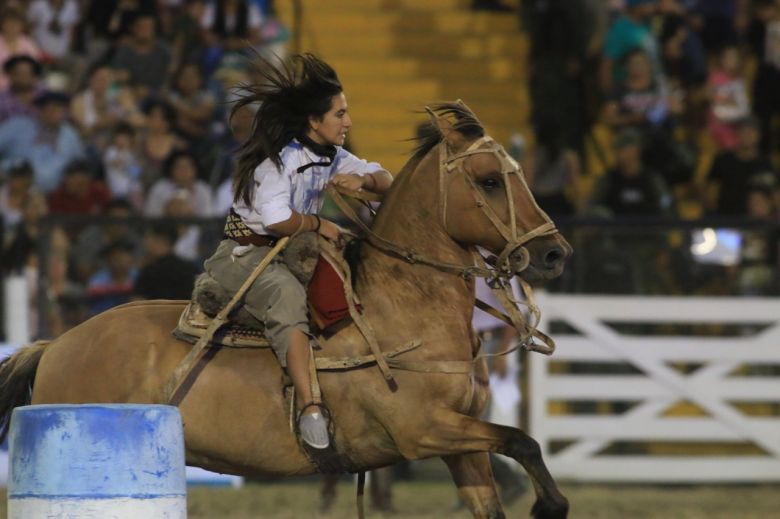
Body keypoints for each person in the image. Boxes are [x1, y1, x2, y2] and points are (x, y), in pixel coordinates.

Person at [202, 53, 392, 449]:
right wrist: (318, 223)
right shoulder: (277, 162)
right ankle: (310, 408)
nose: (349, 122)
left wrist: (365, 178)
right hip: (246, 253)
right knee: (287, 296)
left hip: (293, 252)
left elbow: (388, 179)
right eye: (340, 114)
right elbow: (275, 221)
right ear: (314, 121)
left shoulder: (333, 155)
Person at [705, 116, 779, 216]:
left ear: (758, 135)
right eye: (743, 132)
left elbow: (775, 194)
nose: (747, 136)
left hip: (756, 222)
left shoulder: (766, 163)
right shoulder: (723, 160)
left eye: (751, 132)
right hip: (726, 218)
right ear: (737, 134)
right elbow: (710, 191)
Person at [133, 221, 199, 300]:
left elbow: (137, 304)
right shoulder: (191, 269)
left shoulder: (149, 271)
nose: (145, 242)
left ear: (162, 240)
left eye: (148, 237)